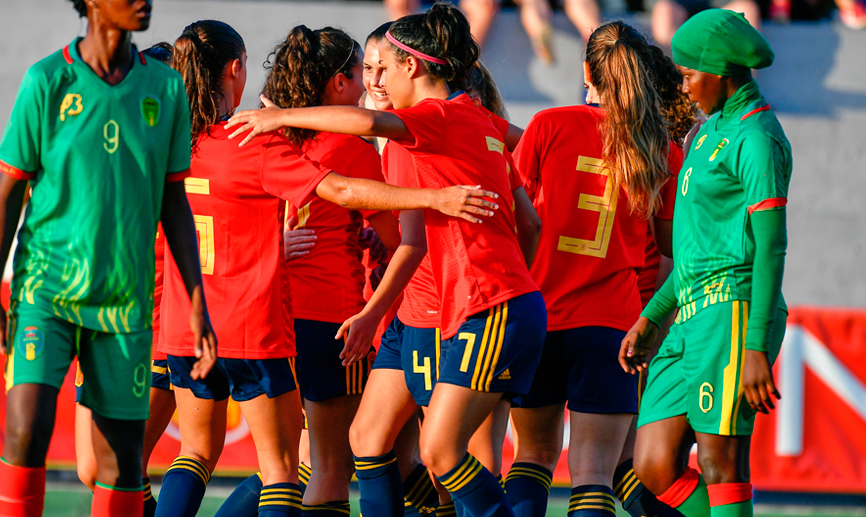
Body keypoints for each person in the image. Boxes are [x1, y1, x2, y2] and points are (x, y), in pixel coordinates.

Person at [226, 5, 546, 517]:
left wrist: (278, 115)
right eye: (365, 69)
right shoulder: (477, 119)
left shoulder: (427, 122)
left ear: (412, 68)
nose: (376, 80)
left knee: (434, 456)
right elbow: (528, 190)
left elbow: (365, 130)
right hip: (460, 306)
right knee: (368, 443)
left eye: (384, 67)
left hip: (477, 305)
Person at [0, 1, 218, 515]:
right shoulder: (47, 80)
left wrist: (196, 302)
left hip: (124, 302)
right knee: (24, 426)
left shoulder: (165, 89)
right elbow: (9, 192)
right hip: (44, 289)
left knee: (121, 457)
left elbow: (174, 202)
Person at [620, 10, 791, 517]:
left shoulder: (757, 138)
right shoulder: (705, 133)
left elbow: (772, 247)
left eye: (691, 74)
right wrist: (652, 317)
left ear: (720, 73)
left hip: (733, 315)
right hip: (688, 317)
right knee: (651, 463)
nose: (686, 86)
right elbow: (695, 253)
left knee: (721, 463)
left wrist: (757, 345)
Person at [507, 20, 681, 517]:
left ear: (586, 70)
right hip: (613, 325)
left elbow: (511, 213)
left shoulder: (548, 124)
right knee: (593, 475)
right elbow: (668, 254)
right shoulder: (662, 148)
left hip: (539, 317)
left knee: (532, 458)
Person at [69, 41, 181, 517]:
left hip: (155, 330)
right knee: (91, 469)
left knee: (118, 465)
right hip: (101, 323)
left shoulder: (182, 157)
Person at [650, 0, 761, 51]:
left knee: (746, 11)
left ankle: (742, 91)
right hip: (677, 4)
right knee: (664, 12)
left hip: (723, 3)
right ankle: (668, 85)